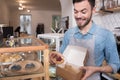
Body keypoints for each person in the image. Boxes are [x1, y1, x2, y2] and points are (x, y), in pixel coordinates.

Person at [50, 0, 120, 80]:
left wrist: (96, 69)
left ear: (93, 10)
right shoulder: (68, 34)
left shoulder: (106, 35)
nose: (78, 16)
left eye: (83, 12)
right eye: (76, 12)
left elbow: (115, 65)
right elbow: (61, 59)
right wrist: (54, 58)